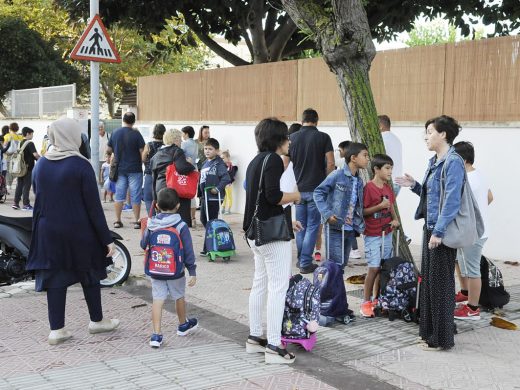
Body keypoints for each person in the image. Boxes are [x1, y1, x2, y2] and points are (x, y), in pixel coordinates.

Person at [26, 117, 119, 345]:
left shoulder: (43, 164)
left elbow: (36, 193)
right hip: (79, 229)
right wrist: (107, 239)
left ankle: (57, 330)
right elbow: (93, 207)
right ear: (73, 137)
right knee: (89, 271)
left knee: (55, 276)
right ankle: (97, 321)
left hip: (48, 230)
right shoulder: (81, 165)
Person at [396, 115, 465, 351]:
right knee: (429, 284)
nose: (426, 136)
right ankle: (428, 333)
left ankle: (442, 338)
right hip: (431, 228)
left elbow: (452, 201)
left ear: (443, 134)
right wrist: (415, 185)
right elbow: (432, 195)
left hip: (440, 232)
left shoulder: (453, 161)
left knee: (441, 285)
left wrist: (439, 231)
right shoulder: (434, 161)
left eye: (429, 131)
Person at [243, 118, 301, 364]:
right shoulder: (275, 160)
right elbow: (273, 195)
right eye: (286, 137)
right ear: (278, 139)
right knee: (279, 287)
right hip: (272, 233)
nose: (289, 142)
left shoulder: (255, 160)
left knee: (260, 284)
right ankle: (275, 346)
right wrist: (295, 196)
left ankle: (255, 338)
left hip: (254, 233)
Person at [140, 188, 198, 348]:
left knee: (157, 300)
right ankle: (182, 325)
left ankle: (156, 335)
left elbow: (143, 245)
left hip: (156, 270)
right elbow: (188, 251)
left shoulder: (151, 224)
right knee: (178, 296)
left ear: (156, 206)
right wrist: (192, 271)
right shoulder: (181, 226)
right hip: (176, 271)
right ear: (178, 206)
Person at [289, 109, 335, 274]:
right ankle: (305, 262)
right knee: (313, 227)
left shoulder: (292, 138)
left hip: (299, 190)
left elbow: (285, 163)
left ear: (302, 120)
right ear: (316, 120)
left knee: (300, 226)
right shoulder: (323, 137)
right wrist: (327, 184)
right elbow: (330, 163)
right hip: (317, 189)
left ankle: (301, 260)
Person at [453, 141, 493, 320]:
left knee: (473, 270)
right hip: (474, 230)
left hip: (473, 233)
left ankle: (472, 308)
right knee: (459, 262)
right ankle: (465, 292)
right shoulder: (478, 175)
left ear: (464, 159)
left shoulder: (468, 180)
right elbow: (490, 197)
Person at [314, 142, 369, 268]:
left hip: (350, 229)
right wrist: (327, 214)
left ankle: (336, 287)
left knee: (342, 265)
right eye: (365, 155)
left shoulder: (359, 181)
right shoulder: (337, 175)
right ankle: (328, 288)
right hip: (335, 228)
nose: (367, 159)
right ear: (353, 158)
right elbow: (318, 193)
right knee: (334, 266)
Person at [360, 154, 399, 318]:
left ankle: (377, 299)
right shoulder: (368, 188)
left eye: (391, 168)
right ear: (376, 169)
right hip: (373, 233)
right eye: (387, 168)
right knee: (374, 267)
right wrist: (379, 206)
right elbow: (362, 212)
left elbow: (390, 206)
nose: (390, 171)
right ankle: (365, 302)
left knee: (383, 266)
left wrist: (395, 219)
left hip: (387, 232)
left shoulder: (387, 187)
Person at [106, 112, 145, 229]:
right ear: (134, 121)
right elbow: (142, 151)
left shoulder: (115, 133)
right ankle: (137, 221)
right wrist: (142, 162)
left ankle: (117, 221)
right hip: (135, 169)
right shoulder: (137, 134)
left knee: (119, 195)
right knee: (135, 195)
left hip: (120, 169)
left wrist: (112, 156)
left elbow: (108, 149)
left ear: (123, 120)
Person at [150, 128, 195, 227]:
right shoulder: (177, 151)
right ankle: (178, 240)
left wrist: (155, 199)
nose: (181, 142)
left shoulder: (156, 155)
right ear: (175, 140)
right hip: (174, 191)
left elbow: (153, 178)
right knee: (178, 223)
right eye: (180, 139)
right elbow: (182, 168)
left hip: (160, 190)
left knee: (164, 221)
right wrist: (191, 164)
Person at [198, 138, 231, 256]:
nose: (207, 151)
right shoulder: (205, 163)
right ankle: (211, 243)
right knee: (204, 219)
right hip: (205, 196)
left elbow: (226, 178)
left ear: (216, 151)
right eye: (206, 148)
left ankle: (209, 246)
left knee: (211, 221)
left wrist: (217, 189)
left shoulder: (218, 164)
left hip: (213, 197)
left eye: (210, 149)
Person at [12, 127, 40, 211]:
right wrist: (42, 160)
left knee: (19, 185)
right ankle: (26, 204)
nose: (32, 136)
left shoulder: (20, 143)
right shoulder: (30, 143)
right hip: (28, 168)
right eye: (32, 134)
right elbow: (35, 154)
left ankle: (16, 203)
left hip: (20, 168)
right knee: (26, 186)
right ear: (28, 134)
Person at [142, 124, 166, 215]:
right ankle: (161, 216)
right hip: (162, 175)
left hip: (150, 173)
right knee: (161, 197)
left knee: (148, 198)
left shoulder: (149, 145)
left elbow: (143, 158)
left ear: (153, 132)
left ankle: (152, 218)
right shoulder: (166, 145)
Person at [378, 115, 402, 195]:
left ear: (380, 126)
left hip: (388, 181)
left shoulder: (381, 139)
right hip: (398, 182)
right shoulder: (396, 139)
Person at [181, 126, 199, 226]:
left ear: (186, 134)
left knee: (185, 193)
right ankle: (193, 218)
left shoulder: (184, 144)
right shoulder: (196, 144)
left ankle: (185, 217)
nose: (182, 135)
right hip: (195, 169)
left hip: (186, 170)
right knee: (192, 194)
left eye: (182, 133)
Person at [4, 122, 23, 188]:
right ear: (17, 129)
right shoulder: (20, 136)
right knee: (16, 168)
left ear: (10, 128)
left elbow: (4, 146)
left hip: (8, 155)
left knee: (9, 170)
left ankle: (9, 184)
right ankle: (17, 182)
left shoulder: (7, 136)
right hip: (17, 155)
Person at [221, 150, 237, 215]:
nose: (222, 159)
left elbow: (231, 175)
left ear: (228, 158)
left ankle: (229, 209)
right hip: (223, 184)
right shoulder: (222, 166)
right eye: (221, 158)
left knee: (229, 197)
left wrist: (229, 183)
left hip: (228, 184)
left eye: (223, 158)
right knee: (224, 197)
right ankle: (223, 208)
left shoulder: (231, 167)